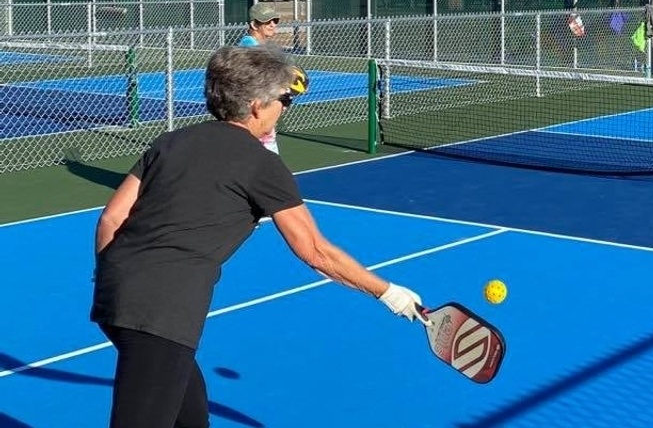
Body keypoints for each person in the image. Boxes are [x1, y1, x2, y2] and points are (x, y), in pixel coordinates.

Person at [90, 45, 424, 428]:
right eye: (285, 99)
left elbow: (111, 219)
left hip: (114, 292)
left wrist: (111, 275)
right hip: (163, 308)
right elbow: (315, 250)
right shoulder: (263, 164)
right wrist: (389, 293)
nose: (286, 107)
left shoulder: (170, 141)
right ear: (255, 106)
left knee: (189, 412)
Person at [239, 2, 283, 153]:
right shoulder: (250, 46)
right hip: (253, 116)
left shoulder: (262, 47)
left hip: (262, 114)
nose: (272, 24)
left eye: (274, 21)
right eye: (266, 21)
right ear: (254, 24)